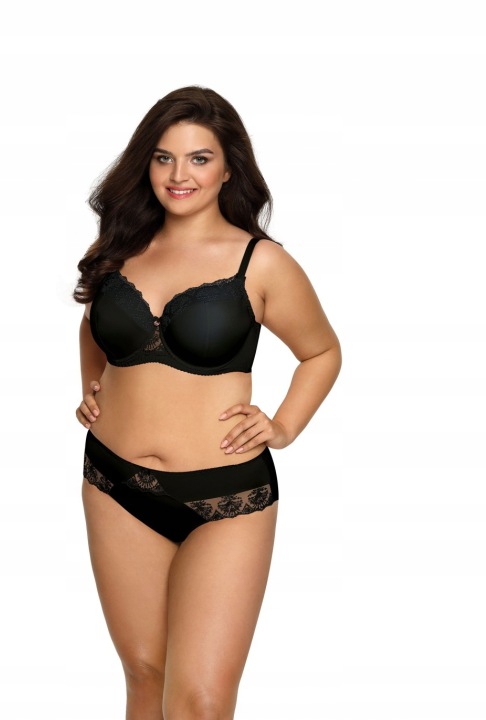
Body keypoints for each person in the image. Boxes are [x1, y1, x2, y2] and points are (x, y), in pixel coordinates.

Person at [73, 86, 341, 719]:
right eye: (164, 157)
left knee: (200, 701)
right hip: (113, 483)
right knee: (145, 676)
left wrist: (283, 425)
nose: (179, 174)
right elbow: (93, 326)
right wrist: (92, 388)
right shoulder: (121, 248)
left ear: (228, 169)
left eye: (199, 158)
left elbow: (322, 352)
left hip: (227, 496)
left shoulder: (261, 262)